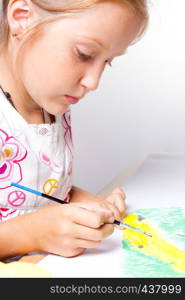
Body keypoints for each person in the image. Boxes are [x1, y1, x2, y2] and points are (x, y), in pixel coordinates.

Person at [0, 0, 148, 259]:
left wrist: (82, 203)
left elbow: (25, 189)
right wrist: (30, 234)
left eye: (107, 62)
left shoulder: (51, 103)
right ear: (22, 17)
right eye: (85, 54)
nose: (93, 82)